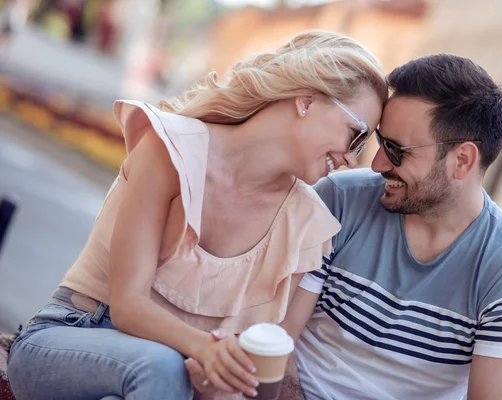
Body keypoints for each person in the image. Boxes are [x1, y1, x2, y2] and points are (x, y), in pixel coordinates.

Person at [6, 30, 387, 400]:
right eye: (357, 136)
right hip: (75, 336)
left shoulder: (308, 226)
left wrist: (218, 376)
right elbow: (127, 304)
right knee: (162, 367)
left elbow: (259, 367)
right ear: (307, 100)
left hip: (177, 381)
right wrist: (205, 350)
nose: (353, 159)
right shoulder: (173, 149)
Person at [284, 54, 502, 399]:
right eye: (381, 143)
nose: (378, 164)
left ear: (462, 160)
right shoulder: (339, 201)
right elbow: (275, 338)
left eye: (397, 150)